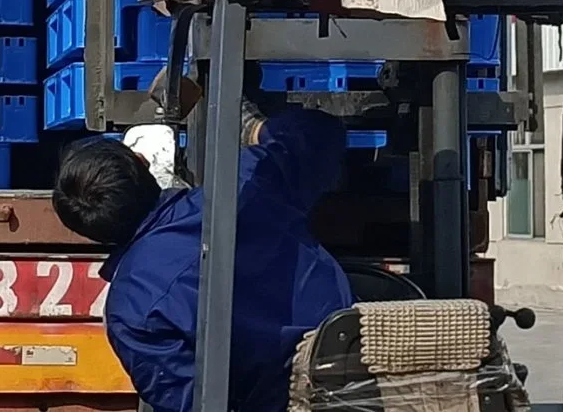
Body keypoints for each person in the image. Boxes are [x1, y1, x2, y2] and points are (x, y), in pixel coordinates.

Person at [53, 99, 351, 412]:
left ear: (91, 232)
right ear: (143, 162)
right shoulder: (242, 185)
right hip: (361, 358)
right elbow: (320, 131)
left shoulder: (130, 311)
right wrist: (258, 130)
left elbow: (192, 404)